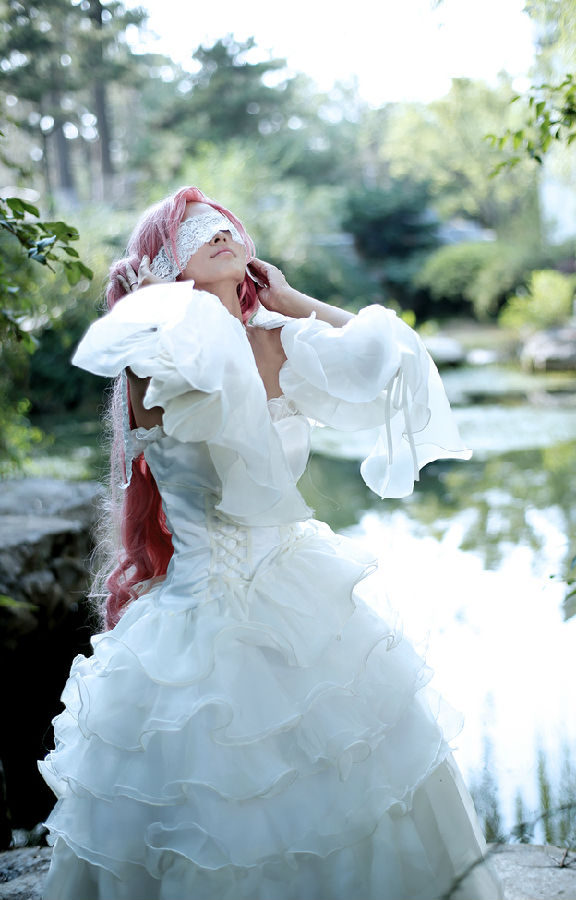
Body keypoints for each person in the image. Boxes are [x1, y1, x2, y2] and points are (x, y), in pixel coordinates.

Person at [39, 185, 503, 900]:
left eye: (226, 225)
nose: (219, 233)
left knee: (359, 769)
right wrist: (175, 300)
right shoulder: (158, 352)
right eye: (195, 233)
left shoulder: (279, 337)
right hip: (204, 609)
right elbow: (202, 376)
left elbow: (390, 358)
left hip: (297, 584)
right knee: (213, 796)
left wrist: (294, 302)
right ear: (164, 269)